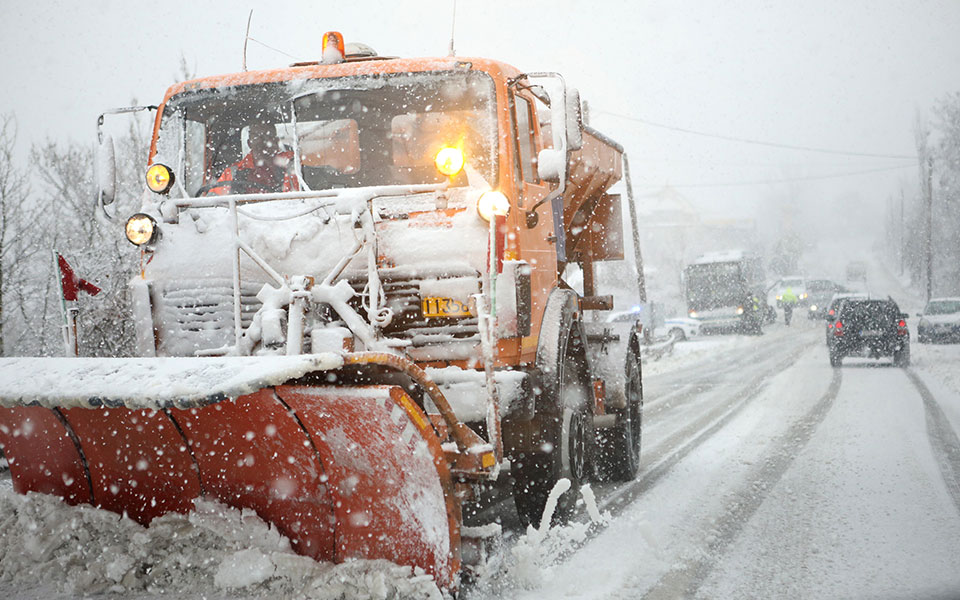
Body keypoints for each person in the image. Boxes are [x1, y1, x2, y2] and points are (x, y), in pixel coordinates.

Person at [213, 123, 299, 194]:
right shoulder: (232, 173)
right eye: (256, 137)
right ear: (249, 143)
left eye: (267, 136)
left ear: (276, 141)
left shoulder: (295, 165)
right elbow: (214, 204)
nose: (262, 141)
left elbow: (302, 200)